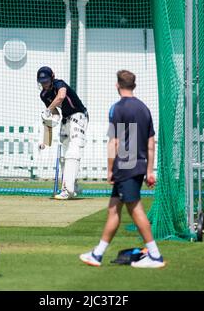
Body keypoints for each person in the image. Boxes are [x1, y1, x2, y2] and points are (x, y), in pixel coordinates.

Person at [79, 70, 165, 268]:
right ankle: (97, 254)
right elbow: (151, 143)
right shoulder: (144, 109)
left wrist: (110, 169)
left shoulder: (117, 108)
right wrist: (150, 171)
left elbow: (114, 142)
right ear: (133, 85)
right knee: (113, 209)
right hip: (138, 165)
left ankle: (155, 255)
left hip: (125, 166)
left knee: (135, 210)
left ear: (117, 85)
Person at [37, 66, 89, 200]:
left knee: (73, 150)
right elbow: (55, 115)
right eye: (42, 82)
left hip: (79, 115)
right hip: (66, 119)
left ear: (52, 77)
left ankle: (68, 190)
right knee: (64, 156)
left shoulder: (60, 84)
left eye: (46, 81)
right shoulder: (44, 95)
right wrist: (47, 129)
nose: (45, 84)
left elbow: (61, 97)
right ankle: (73, 186)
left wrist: (48, 109)